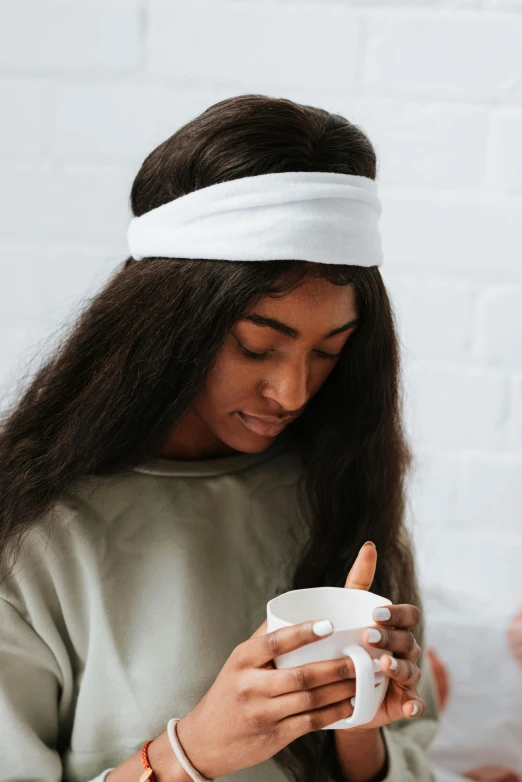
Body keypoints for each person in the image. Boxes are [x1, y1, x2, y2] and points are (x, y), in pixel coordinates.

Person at [0, 94, 439, 782]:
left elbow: (413, 761)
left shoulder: (341, 484)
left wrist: (362, 721)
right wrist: (191, 753)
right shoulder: (31, 532)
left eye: (329, 351)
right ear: (166, 326)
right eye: (257, 347)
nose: (292, 392)